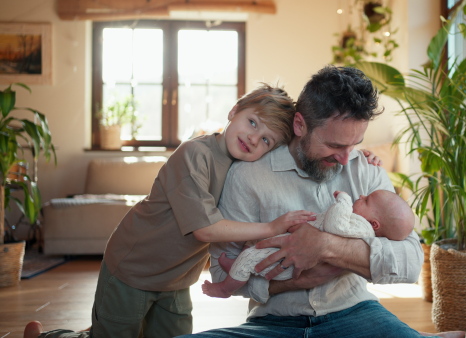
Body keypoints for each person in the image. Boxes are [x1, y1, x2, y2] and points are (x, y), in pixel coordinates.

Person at [178, 66, 465, 338]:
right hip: (273, 324)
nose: (345, 158)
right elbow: (220, 271)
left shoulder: (364, 167)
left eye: (354, 144)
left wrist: (327, 247)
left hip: (357, 313)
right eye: (335, 145)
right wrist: (297, 281)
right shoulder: (246, 176)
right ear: (300, 124)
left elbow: (410, 262)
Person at [23, 84, 319, 338]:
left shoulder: (246, 167)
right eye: (253, 122)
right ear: (234, 111)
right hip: (133, 267)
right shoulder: (195, 154)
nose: (254, 138)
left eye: (266, 139)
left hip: (177, 278)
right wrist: (270, 228)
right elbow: (204, 228)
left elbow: (297, 158)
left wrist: (358, 158)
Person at [202, 189, 415, 298]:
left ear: (374, 224)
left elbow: (334, 226)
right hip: (288, 249)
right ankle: (240, 271)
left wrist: (344, 200)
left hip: (292, 262)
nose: (361, 195)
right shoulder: (361, 221)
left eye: (366, 200)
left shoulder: (362, 227)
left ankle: (225, 288)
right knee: (255, 246)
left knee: (253, 257)